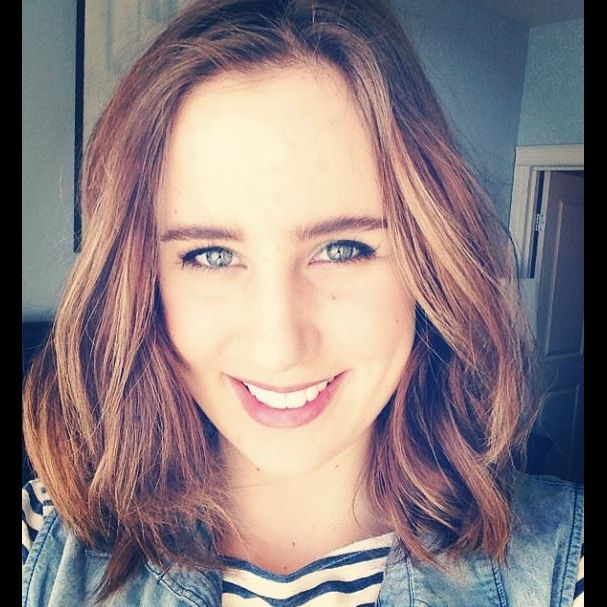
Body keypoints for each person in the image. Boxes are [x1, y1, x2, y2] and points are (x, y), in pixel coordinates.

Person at [22, 0, 583, 605]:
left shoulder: (560, 566)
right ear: (140, 281)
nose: (279, 347)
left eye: (343, 249)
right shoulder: (42, 547)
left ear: (429, 261)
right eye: (211, 255)